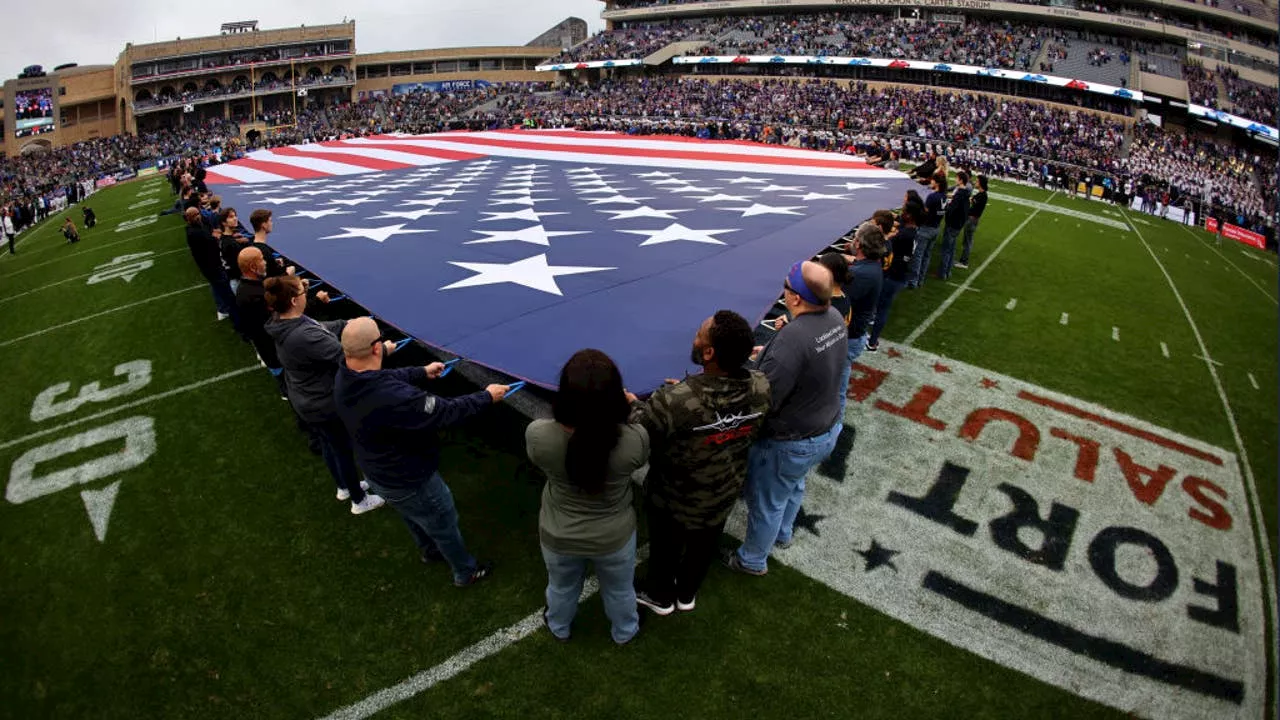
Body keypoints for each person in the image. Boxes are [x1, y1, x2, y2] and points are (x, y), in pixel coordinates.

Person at [334, 317, 508, 586]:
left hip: (379, 472)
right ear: (377, 347)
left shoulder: (346, 373)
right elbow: (445, 411)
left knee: (412, 515)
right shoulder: (393, 397)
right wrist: (486, 397)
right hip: (410, 477)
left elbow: (382, 376)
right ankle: (465, 572)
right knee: (443, 521)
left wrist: (421, 371)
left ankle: (429, 551)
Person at [629, 312, 770, 616]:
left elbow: (641, 431)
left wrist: (631, 404)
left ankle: (660, 597)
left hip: (673, 498)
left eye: (700, 334)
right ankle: (686, 592)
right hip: (723, 492)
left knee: (665, 550)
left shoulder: (674, 400)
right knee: (703, 545)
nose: (695, 337)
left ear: (709, 353)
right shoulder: (760, 385)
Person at [726, 260, 845, 576]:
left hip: (791, 439)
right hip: (824, 428)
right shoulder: (833, 317)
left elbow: (764, 396)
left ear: (795, 298)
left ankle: (752, 560)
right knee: (793, 486)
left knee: (767, 503)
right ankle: (783, 533)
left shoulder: (793, 338)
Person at [526, 349, 648, 643]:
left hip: (558, 534)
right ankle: (625, 631)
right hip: (613, 536)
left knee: (561, 586)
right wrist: (632, 405)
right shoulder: (634, 440)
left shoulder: (539, 435)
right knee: (620, 589)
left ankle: (558, 626)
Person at [264, 277, 384, 515]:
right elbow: (347, 357)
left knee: (330, 445)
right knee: (341, 449)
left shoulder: (284, 321)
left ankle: (344, 486)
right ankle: (359, 501)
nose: (305, 293)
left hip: (306, 399)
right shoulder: (301, 334)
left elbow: (321, 327)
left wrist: (347, 323)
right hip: (321, 403)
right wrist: (380, 349)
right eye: (302, 290)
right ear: (294, 300)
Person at [869, 202, 921, 352]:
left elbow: (886, 247)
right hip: (900, 274)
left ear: (909, 215)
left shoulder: (903, 235)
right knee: (882, 307)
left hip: (893, 275)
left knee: (882, 308)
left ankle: (872, 341)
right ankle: (872, 335)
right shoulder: (912, 232)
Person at [184, 207, 238, 324]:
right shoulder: (194, 232)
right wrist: (216, 237)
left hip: (210, 267)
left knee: (218, 288)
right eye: (195, 215)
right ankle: (233, 317)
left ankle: (223, 310)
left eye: (198, 213)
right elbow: (210, 242)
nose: (198, 216)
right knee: (226, 293)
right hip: (212, 267)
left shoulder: (194, 228)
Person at [909, 172, 946, 288]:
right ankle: (921, 279)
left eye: (933, 180)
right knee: (927, 255)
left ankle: (913, 281)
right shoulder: (943, 196)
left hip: (926, 228)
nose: (931, 182)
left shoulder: (932, 196)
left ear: (937, 182)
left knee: (918, 255)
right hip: (936, 227)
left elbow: (924, 212)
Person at [937, 171, 971, 281]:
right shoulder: (966, 193)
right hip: (958, 225)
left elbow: (952, 209)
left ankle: (942, 273)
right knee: (951, 249)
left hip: (952, 224)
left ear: (961, 180)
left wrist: (945, 208)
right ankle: (948, 271)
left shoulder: (960, 193)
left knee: (946, 249)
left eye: (957, 178)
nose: (955, 180)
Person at [956, 175, 987, 269]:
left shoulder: (982, 196)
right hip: (971, 219)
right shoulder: (980, 194)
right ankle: (963, 260)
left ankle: (964, 262)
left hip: (972, 220)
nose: (975, 183)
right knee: (967, 240)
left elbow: (972, 203)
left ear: (981, 183)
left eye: (977, 182)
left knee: (968, 241)